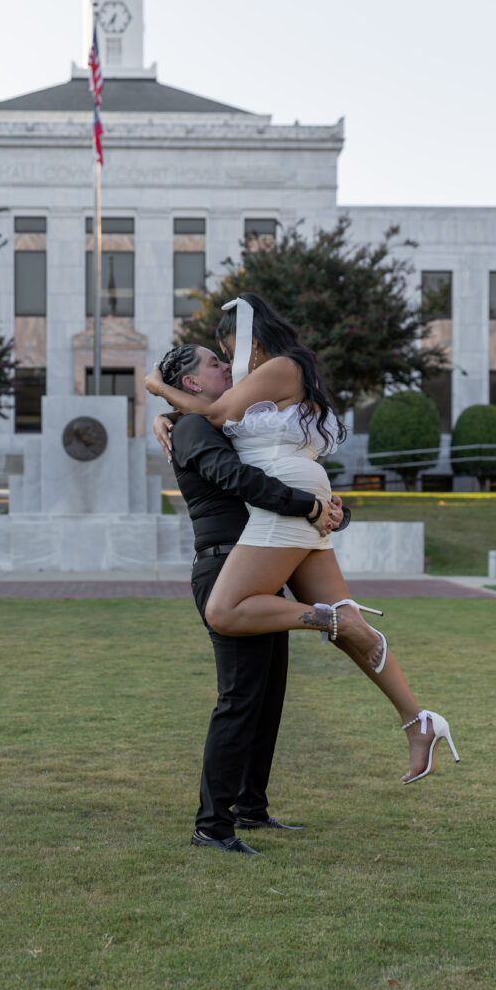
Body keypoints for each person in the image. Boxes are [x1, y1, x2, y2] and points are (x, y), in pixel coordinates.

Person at [146, 294, 459, 786]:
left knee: (225, 611)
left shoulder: (280, 366)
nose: (228, 362)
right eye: (218, 359)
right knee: (351, 625)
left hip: (286, 500)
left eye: (227, 350)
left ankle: (327, 620)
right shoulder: (273, 379)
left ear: (248, 338)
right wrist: (168, 416)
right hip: (298, 490)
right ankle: (418, 722)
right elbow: (212, 417)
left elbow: (212, 414)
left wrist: (155, 391)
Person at [154, 343, 347, 854]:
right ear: (192, 384)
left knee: (267, 697)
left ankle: (250, 809)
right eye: (215, 364)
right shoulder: (193, 429)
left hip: (257, 566)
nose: (229, 367)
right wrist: (306, 505)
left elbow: (272, 470)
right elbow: (237, 480)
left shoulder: (216, 426)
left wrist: (325, 508)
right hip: (223, 570)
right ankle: (212, 827)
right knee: (239, 698)